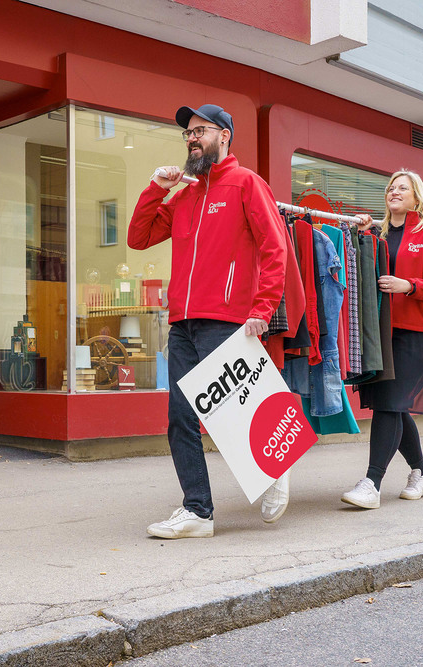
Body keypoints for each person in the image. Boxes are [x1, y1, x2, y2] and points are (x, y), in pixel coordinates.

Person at [128, 103, 289, 538]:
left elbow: (277, 250)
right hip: (182, 322)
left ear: (225, 136)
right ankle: (197, 510)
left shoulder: (246, 184)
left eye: (200, 130)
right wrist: (155, 188)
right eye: (188, 133)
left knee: (233, 415)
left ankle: (274, 471)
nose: (192, 138)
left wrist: (262, 309)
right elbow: (138, 238)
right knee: (181, 416)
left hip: (228, 319)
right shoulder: (184, 195)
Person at [341, 170, 423, 509]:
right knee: (393, 402)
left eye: (402, 188)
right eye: (391, 187)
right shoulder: (377, 233)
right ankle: (421, 472)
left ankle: (372, 483)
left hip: (418, 331)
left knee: (390, 401)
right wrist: (357, 231)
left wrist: (411, 286)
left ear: (416, 197)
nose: (394, 191)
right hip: (382, 330)